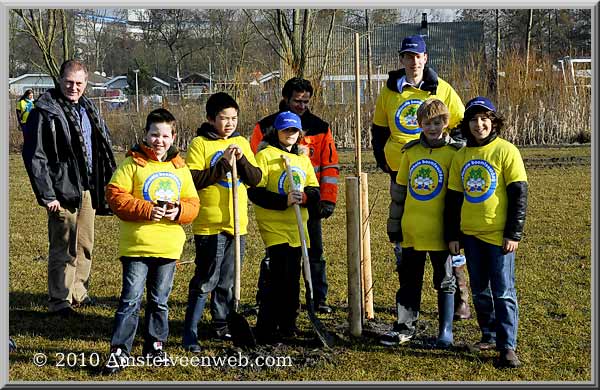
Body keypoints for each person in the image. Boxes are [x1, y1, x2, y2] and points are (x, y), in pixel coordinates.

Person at [370, 35, 471, 321]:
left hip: (440, 174)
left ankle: (460, 295)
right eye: (408, 57)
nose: (413, 62)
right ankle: (408, 297)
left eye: (418, 57)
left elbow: (461, 124)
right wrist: (383, 159)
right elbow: (378, 130)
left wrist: (453, 155)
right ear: (401, 60)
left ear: (425, 58)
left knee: (447, 231)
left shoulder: (441, 89)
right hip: (403, 172)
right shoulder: (389, 91)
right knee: (405, 231)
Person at [102, 108, 200, 375]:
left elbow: (193, 204)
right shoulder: (132, 164)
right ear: (145, 135)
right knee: (130, 299)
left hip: (168, 248)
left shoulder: (180, 168)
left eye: (165, 135)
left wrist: (178, 211)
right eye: (154, 134)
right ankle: (120, 350)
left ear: (173, 137)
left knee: (160, 300)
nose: (159, 140)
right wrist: (145, 209)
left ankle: (155, 346)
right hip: (136, 246)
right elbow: (115, 195)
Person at [22, 59, 116, 318]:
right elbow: (35, 156)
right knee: (63, 246)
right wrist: (47, 194)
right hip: (61, 190)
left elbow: (99, 147)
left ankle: (78, 292)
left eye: (79, 83)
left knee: (85, 243)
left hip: (87, 188)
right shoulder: (44, 111)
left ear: (86, 83)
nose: (73, 87)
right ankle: (59, 300)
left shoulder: (88, 109)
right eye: (69, 82)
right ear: (60, 80)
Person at [445, 97, 528, 368]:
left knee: (503, 291)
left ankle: (508, 346)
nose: (479, 124)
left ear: (493, 121)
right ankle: (489, 334)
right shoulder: (461, 156)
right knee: (481, 290)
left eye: (484, 118)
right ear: (466, 124)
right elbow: (454, 199)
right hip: (471, 235)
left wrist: (513, 233)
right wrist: (454, 235)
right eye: (473, 119)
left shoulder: (507, 151)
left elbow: (518, 195)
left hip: (499, 237)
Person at [250, 77, 338, 314]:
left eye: (306, 101)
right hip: (276, 208)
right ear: (285, 98)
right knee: (276, 256)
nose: (301, 105)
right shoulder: (266, 127)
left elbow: (328, 167)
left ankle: (317, 297)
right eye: (297, 101)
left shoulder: (319, 127)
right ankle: (266, 297)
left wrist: (326, 199)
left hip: (310, 201)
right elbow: (254, 171)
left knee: (314, 251)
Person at [182, 92, 262, 353]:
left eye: (234, 118)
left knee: (228, 280)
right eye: (223, 118)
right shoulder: (200, 144)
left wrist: (240, 159)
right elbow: (194, 179)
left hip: (237, 223)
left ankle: (222, 324)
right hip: (211, 224)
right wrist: (224, 165)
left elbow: (255, 177)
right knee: (206, 279)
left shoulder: (241, 142)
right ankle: (190, 330)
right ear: (210, 118)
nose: (229, 123)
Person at [381, 98, 461, 348]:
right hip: (412, 230)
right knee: (408, 281)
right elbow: (399, 194)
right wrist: (394, 226)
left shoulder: (455, 154)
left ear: (446, 123)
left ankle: (445, 330)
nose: (432, 127)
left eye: (437, 122)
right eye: (427, 123)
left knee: (446, 280)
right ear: (419, 124)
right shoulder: (411, 152)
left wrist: (457, 233)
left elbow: (459, 198)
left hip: (441, 233)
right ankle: (405, 326)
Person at [248, 111, 320, 344]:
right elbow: (255, 192)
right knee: (278, 276)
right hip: (274, 226)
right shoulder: (266, 156)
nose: (290, 134)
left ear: (300, 133)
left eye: (294, 130)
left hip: (298, 227)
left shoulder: (302, 159)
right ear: (276, 131)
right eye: (286, 130)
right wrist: (283, 201)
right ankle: (267, 327)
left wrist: (305, 197)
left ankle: (288, 324)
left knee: (293, 278)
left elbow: (314, 189)